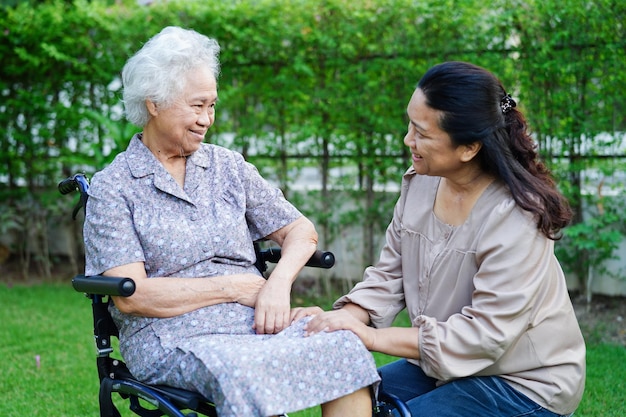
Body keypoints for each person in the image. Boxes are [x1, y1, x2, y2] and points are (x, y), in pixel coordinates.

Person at [83, 26, 379, 417]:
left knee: (340, 343)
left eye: (212, 106)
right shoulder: (115, 187)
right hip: (169, 335)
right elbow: (133, 295)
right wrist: (231, 287)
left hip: (253, 319)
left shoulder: (227, 167)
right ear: (154, 103)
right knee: (243, 368)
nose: (208, 119)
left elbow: (300, 231)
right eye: (197, 105)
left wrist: (276, 285)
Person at [295, 61, 586, 417]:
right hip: (441, 364)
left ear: (469, 147)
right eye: (409, 125)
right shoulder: (420, 184)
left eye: (422, 133)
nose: (408, 141)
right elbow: (390, 275)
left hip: (524, 381)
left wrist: (370, 338)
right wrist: (344, 320)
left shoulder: (517, 215)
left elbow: (484, 336)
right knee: (346, 383)